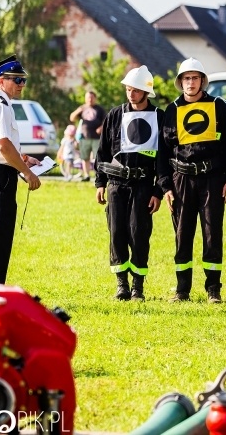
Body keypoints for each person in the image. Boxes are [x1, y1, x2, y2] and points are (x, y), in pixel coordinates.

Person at [159, 58, 226, 303]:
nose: (190, 83)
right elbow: (163, 151)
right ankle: (182, 289)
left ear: (202, 81)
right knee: (182, 235)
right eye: (186, 78)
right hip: (181, 180)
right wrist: (165, 187)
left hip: (212, 179)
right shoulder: (172, 109)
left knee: (212, 234)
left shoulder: (218, 106)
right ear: (180, 82)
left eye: (195, 78)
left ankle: (213, 289)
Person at [95, 66, 166, 301]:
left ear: (146, 91)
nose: (131, 94)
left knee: (139, 233)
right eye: (128, 89)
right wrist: (100, 183)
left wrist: (158, 191)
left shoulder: (159, 117)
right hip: (116, 184)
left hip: (143, 185)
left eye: (135, 90)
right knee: (117, 233)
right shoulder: (115, 115)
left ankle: (138, 286)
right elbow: (103, 151)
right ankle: (122, 284)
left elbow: (164, 159)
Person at [0, 55, 42, 284]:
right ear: (1, 81)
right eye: (17, 80)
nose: (22, 85)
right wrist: (27, 172)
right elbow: (3, 146)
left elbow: (2, 146)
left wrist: (23, 160)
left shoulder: (0, 104)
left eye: (24, 80)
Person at [70, 91, 106, 181]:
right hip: (84, 137)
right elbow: (72, 118)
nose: (90, 99)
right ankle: (86, 175)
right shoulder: (82, 108)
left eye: (91, 97)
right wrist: (78, 111)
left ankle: (98, 176)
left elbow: (106, 121)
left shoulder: (100, 109)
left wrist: (101, 127)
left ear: (95, 98)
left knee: (98, 157)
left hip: (97, 138)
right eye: (88, 97)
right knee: (85, 157)